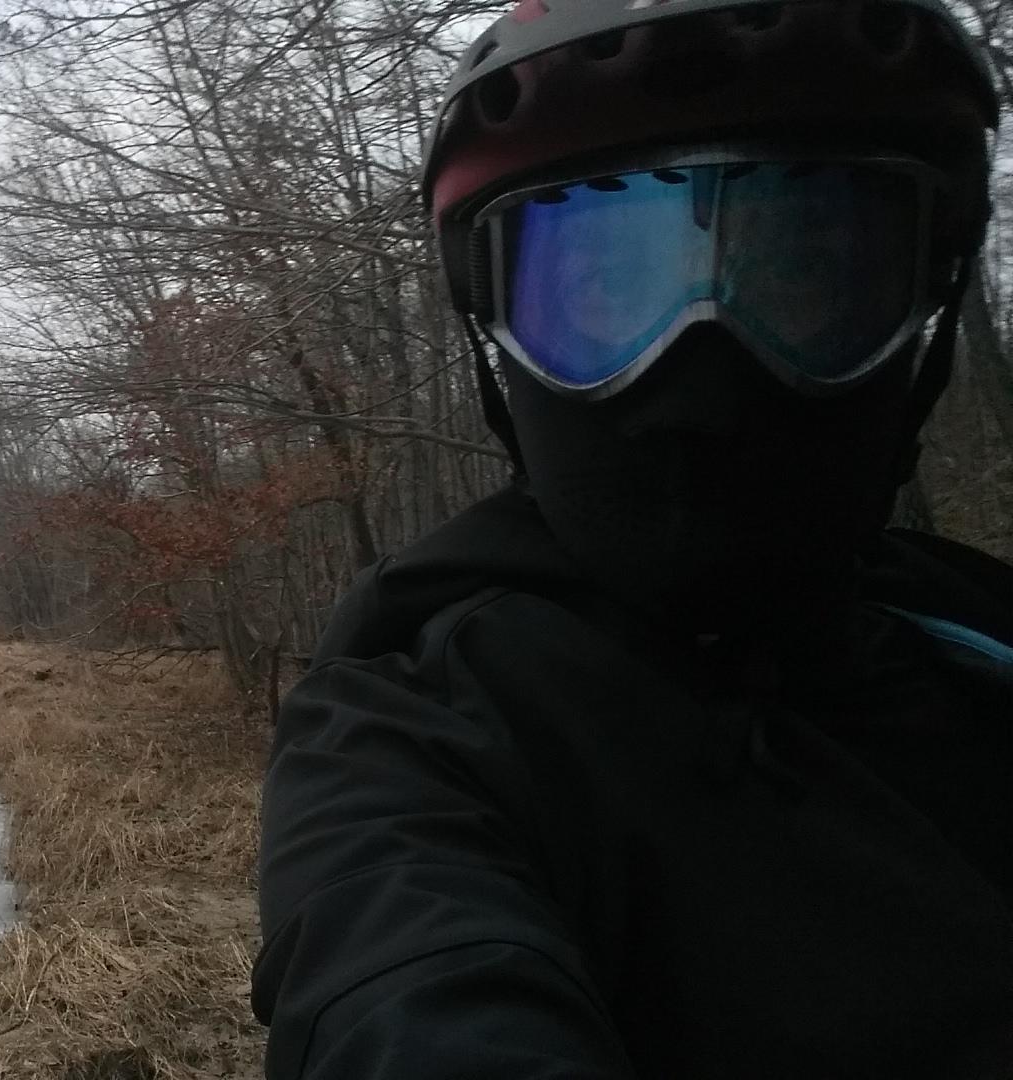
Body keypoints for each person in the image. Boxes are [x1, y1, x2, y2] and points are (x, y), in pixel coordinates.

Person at [251, 0, 1013, 1076]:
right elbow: (398, 967)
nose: (701, 377)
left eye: (800, 277)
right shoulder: (413, 730)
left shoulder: (979, 636)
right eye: (608, 289)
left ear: (913, 321)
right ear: (502, 343)